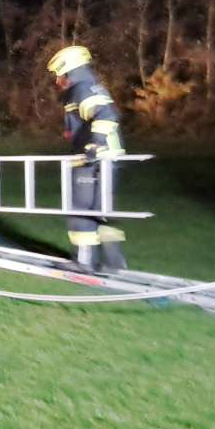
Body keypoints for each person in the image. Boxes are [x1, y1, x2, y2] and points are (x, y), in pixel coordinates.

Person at [47, 44, 128, 271]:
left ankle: (83, 261)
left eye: (59, 75)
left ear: (69, 71)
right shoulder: (92, 87)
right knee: (101, 210)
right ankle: (113, 260)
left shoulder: (81, 90)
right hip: (109, 158)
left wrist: (95, 144)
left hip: (92, 159)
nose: (57, 81)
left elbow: (106, 115)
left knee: (80, 210)